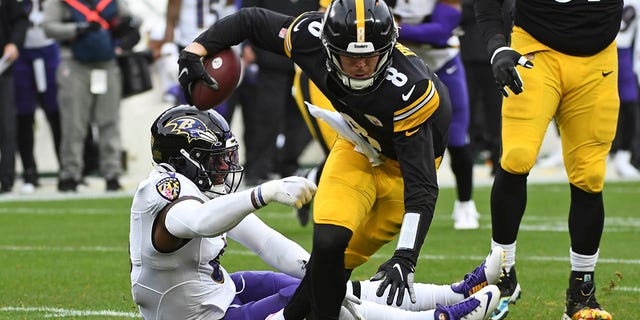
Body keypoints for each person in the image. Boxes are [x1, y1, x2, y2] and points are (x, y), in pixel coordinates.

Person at [176, 1, 467, 319]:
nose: (361, 66)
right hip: (358, 145)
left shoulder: (408, 91)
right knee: (329, 242)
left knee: (339, 262)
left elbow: (422, 185)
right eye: (351, 56)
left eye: (370, 56)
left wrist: (406, 256)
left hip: (402, 169)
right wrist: (196, 48)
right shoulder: (309, 36)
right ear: (327, 46)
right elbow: (251, 21)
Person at [129, 104, 503, 320]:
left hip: (216, 294)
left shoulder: (194, 187)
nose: (225, 168)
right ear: (185, 160)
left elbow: (265, 241)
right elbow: (195, 222)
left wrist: (321, 271)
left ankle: (451, 294)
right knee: (316, 303)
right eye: (216, 160)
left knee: (324, 284)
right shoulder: (168, 196)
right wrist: (263, 192)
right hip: (204, 317)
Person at [474, 0, 621, 319]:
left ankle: (582, 294)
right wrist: (497, 47)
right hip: (534, 49)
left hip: (599, 58)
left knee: (590, 175)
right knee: (517, 156)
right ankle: (503, 273)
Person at [390, 0, 480, 230]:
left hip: (443, 63)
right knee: (394, 139)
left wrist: (392, 28)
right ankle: (393, 205)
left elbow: (439, 32)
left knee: (457, 139)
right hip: (403, 65)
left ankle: (465, 204)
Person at [42, 0, 139, 192]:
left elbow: (132, 20)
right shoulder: (60, 3)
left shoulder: (111, 2)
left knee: (109, 121)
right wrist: (78, 28)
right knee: (74, 124)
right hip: (74, 63)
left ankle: (112, 173)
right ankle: (70, 174)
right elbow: (48, 27)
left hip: (106, 64)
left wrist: (123, 36)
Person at [13, 0, 62, 193]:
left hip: (50, 51)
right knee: (24, 115)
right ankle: (29, 172)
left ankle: (67, 170)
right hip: (22, 53)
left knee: (56, 114)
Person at [0, 0, 29, 194]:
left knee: (6, 125)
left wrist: (14, 42)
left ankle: (6, 179)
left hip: (2, 68)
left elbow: (20, 19)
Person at [611, 0, 640, 179]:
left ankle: (625, 154)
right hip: (612, 52)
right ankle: (619, 153)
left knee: (630, 106)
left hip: (626, 55)